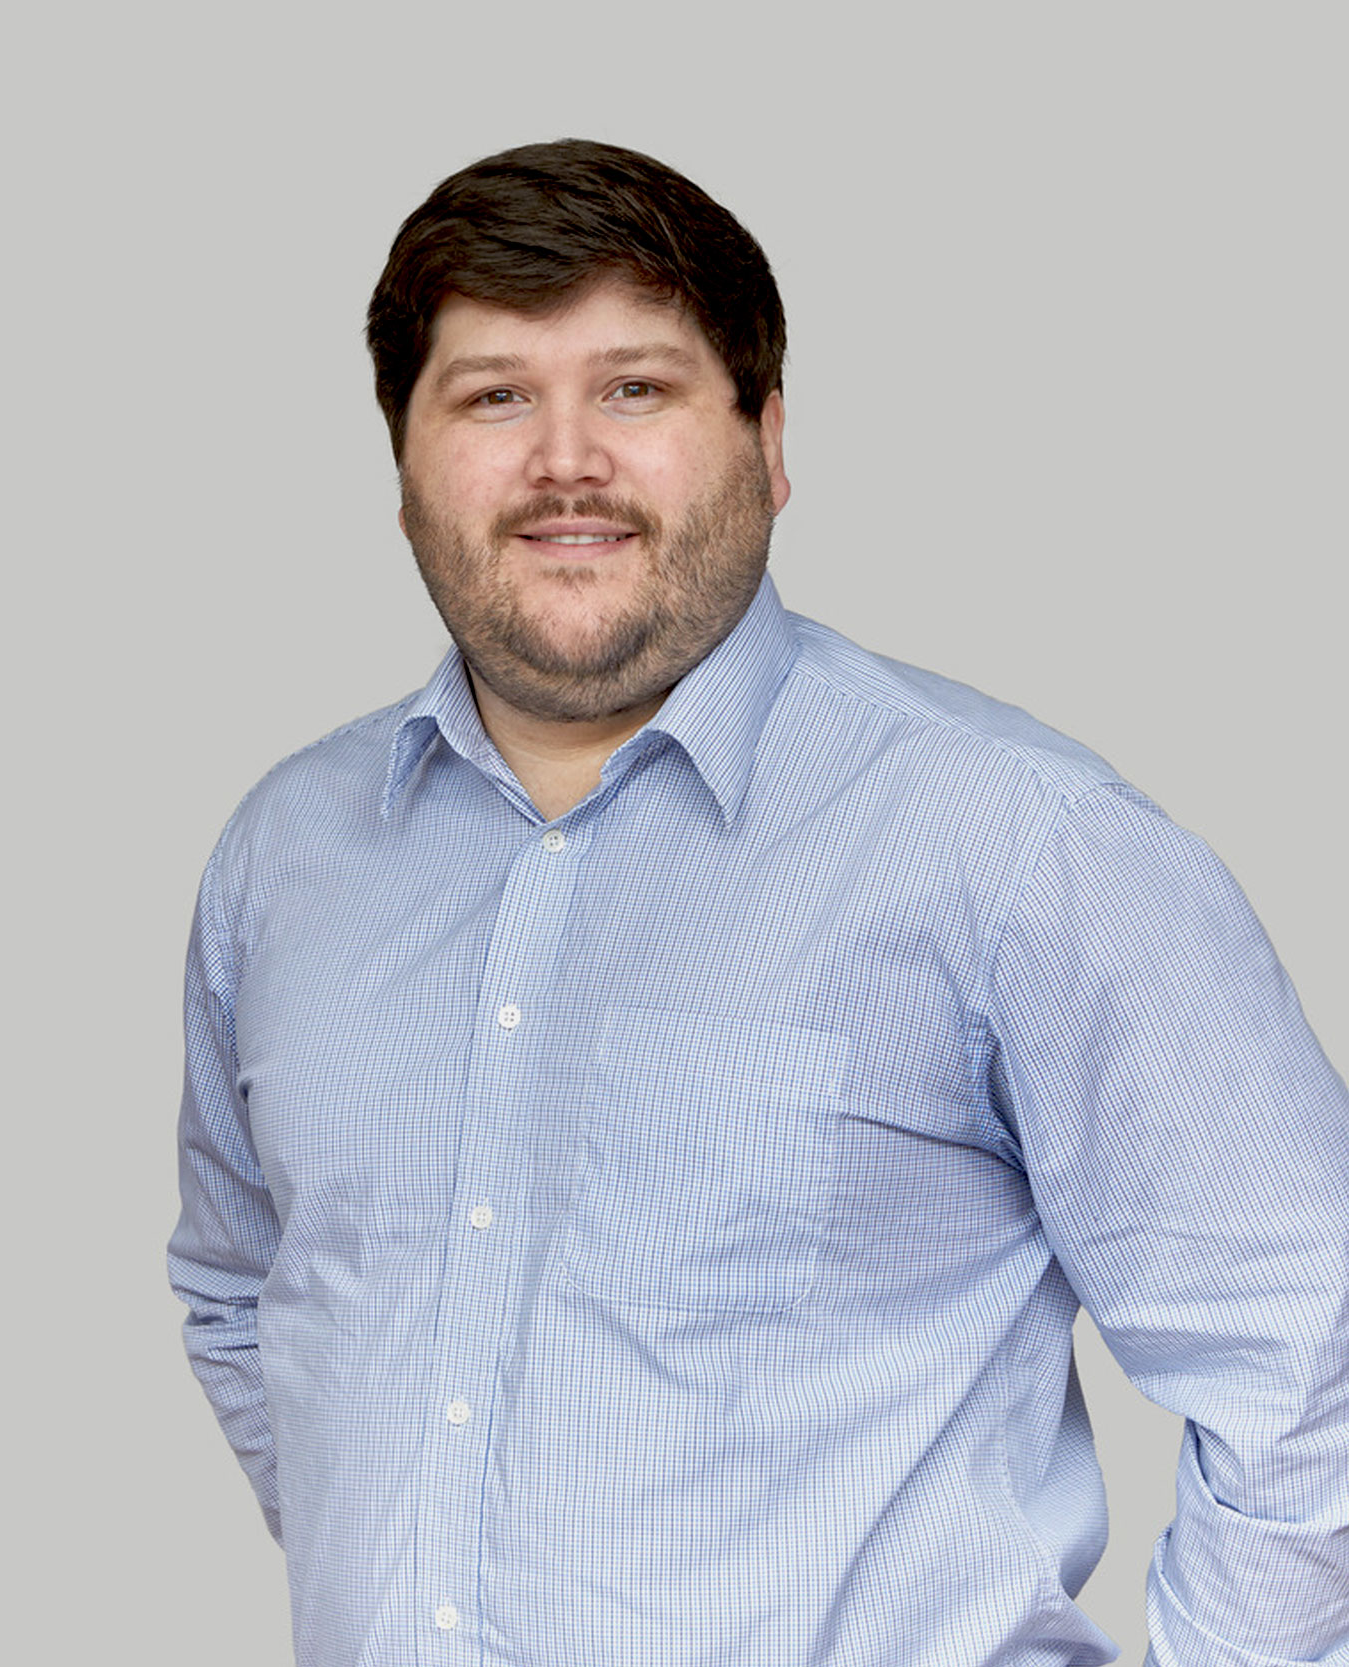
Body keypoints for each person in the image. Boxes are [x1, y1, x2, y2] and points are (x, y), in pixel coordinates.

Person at [169, 139, 1349, 1667]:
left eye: (637, 390)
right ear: (403, 464)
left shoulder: (1017, 846)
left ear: (767, 441)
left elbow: (1305, 1347)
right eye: (493, 396)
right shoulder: (285, 859)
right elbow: (244, 1298)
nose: (565, 461)